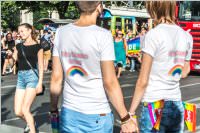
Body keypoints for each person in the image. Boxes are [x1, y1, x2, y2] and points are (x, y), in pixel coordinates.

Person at [50, 1, 137, 133]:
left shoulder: (61, 33)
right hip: (97, 113)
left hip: (69, 112)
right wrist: (125, 118)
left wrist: (53, 108)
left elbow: (56, 77)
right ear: (99, 7)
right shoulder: (103, 35)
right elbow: (110, 82)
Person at [129, 1, 193, 133]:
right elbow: (185, 71)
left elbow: (142, 81)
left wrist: (130, 113)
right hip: (176, 103)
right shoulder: (187, 36)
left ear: (154, 8)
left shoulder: (153, 35)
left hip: (154, 105)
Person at [12, 23, 44, 133]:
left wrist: (40, 83)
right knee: (18, 112)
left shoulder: (38, 47)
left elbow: (40, 66)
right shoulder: (18, 46)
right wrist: (12, 55)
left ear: (30, 31)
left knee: (25, 109)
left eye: (22, 31)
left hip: (32, 77)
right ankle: (31, 123)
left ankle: (33, 130)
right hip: (21, 77)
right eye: (19, 32)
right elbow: (14, 61)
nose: (20, 34)